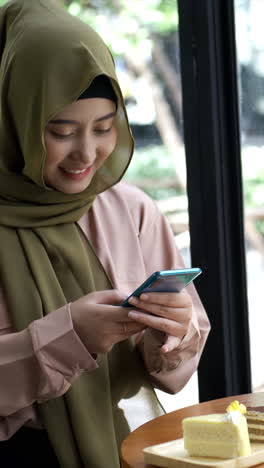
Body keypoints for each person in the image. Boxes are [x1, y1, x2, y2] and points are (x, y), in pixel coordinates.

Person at [0, 0, 210, 467]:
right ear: (14, 120)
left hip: (129, 446)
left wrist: (170, 335)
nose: (86, 154)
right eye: (60, 131)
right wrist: (68, 336)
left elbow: (177, 367)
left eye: (104, 128)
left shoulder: (131, 209)